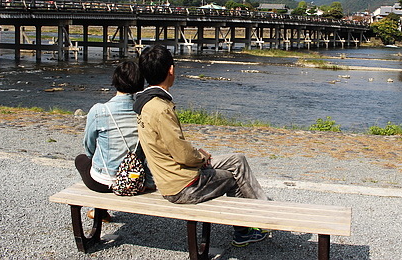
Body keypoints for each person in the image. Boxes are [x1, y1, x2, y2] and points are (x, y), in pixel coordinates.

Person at [134, 44, 269, 247]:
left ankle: (262, 208)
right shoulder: (161, 109)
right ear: (171, 70)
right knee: (233, 177)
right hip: (182, 186)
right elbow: (183, 156)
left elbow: (172, 148)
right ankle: (248, 228)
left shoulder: (145, 103)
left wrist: (197, 154)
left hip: (172, 177)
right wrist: (201, 158)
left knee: (237, 159)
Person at [75, 61, 154, 219]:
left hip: (103, 182)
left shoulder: (99, 111)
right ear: (140, 84)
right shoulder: (144, 112)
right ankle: (100, 211)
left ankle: (100, 211)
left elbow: (88, 145)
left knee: (81, 160)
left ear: (115, 81)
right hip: (134, 180)